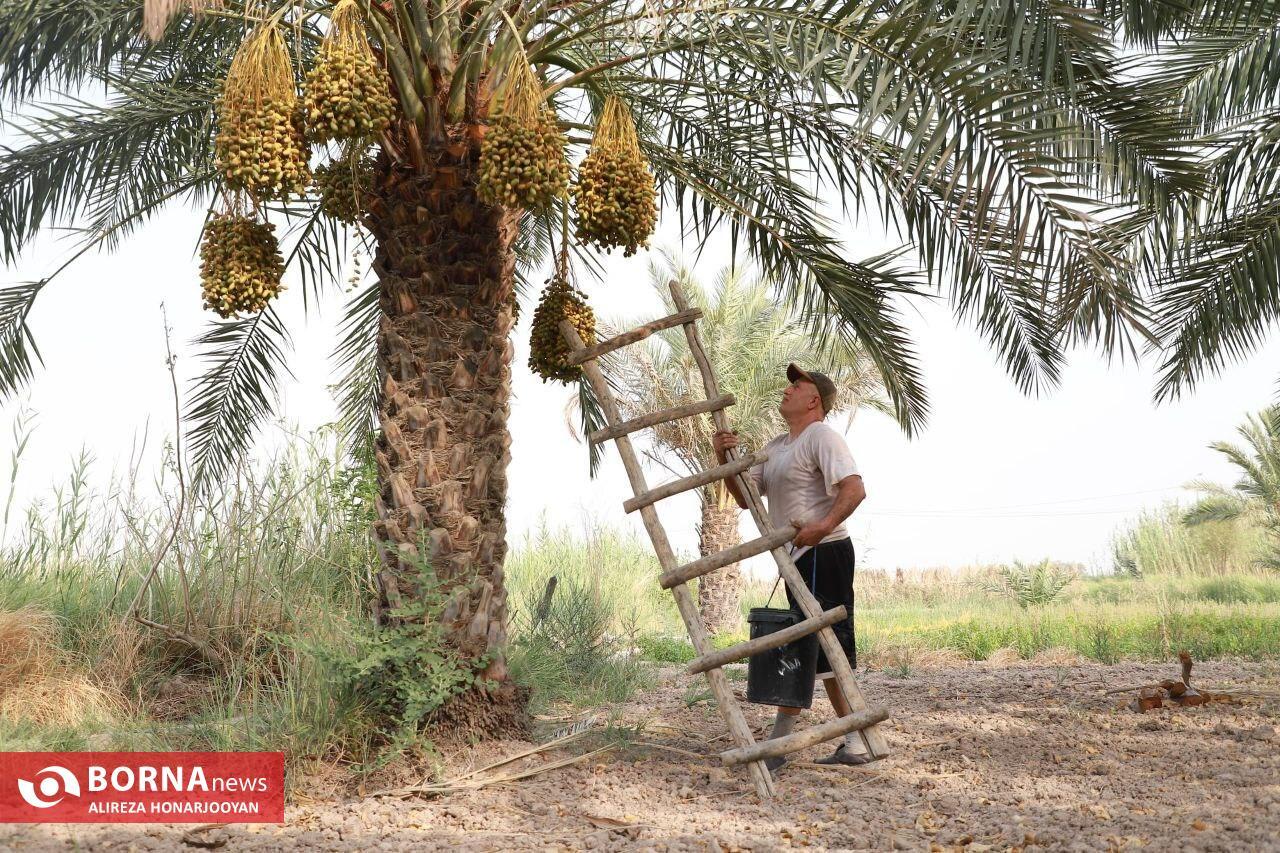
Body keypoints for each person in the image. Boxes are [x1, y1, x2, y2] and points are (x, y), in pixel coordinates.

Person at [712, 363, 871, 770]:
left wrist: (822, 526)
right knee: (807, 644)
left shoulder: (822, 437)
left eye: (796, 385)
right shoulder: (778, 444)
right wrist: (725, 458)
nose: (788, 389)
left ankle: (843, 742)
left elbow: (854, 489)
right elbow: (748, 495)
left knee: (831, 647)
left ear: (813, 399)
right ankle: (837, 742)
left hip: (826, 552)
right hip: (796, 557)